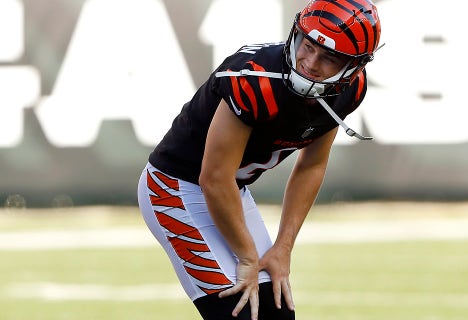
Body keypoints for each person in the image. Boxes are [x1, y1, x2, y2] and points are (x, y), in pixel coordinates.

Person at [137, 0, 382, 319]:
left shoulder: (351, 89)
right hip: (174, 188)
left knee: (277, 312)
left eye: (330, 57)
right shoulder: (254, 77)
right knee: (237, 312)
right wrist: (248, 256)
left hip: (230, 190)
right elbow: (213, 179)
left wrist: (283, 247)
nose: (310, 62)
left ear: (355, 66)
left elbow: (312, 164)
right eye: (308, 46)